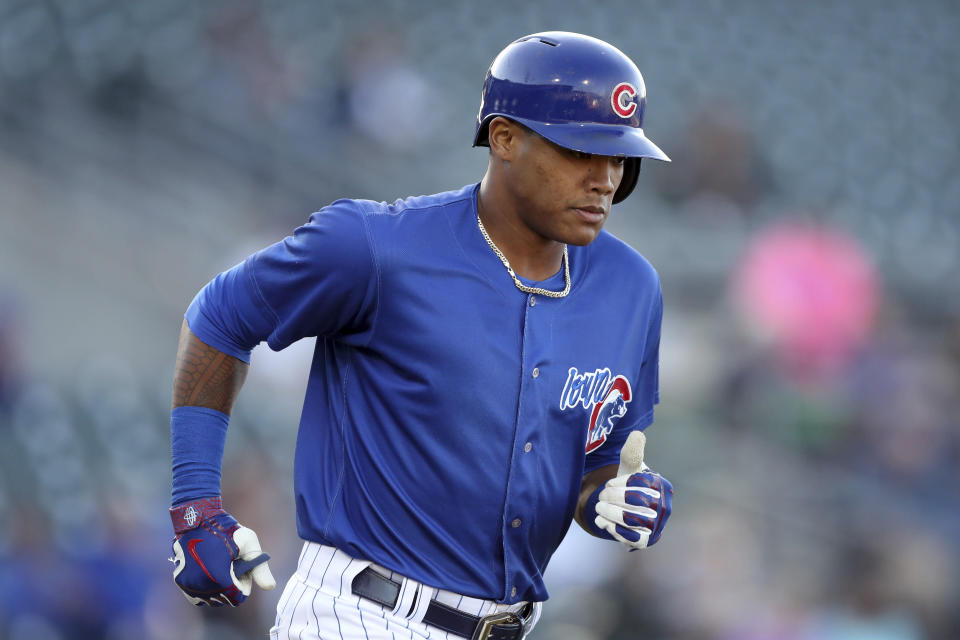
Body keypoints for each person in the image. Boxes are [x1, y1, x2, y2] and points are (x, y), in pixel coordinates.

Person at [168, 31, 674, 640]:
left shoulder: (631, 288)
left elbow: (596, 464)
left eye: (620, 158)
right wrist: (196, 507)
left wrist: (611, 499)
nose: (605, 179)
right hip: (362, 614)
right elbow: (219, 317)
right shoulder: (374, 246)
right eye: (580, 152)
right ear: (504, 138)